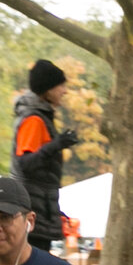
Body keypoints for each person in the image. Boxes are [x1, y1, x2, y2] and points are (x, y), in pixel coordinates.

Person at [12, 57, 79, 251]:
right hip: (33, 217)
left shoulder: (40, 116)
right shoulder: (34, 119)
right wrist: (57, 145)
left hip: (39, 213)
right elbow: (26, 163)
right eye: (61, 86)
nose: (64, 91)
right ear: (48, 89)